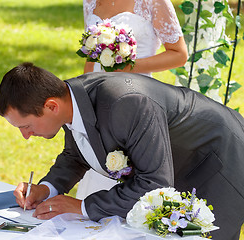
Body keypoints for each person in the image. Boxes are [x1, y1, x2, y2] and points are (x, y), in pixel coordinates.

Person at [0, 62, 244, 240]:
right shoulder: (70, 100)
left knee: (201, 235)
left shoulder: (126, 103)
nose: (25, 136)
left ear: (50, 106)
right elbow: (76, 154)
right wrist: (46, 188)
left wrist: (81, 207)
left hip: (219, 158)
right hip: (174, 162)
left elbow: (154, 183)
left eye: (26, 126)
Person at [79, 0, 189, 199]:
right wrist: (83, 98)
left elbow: (179, 54)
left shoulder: (154, 2)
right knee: (99, 166)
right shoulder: (90, 2)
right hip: (97, 98)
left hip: (135, 97)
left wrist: (129, 66)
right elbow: (91, 57)